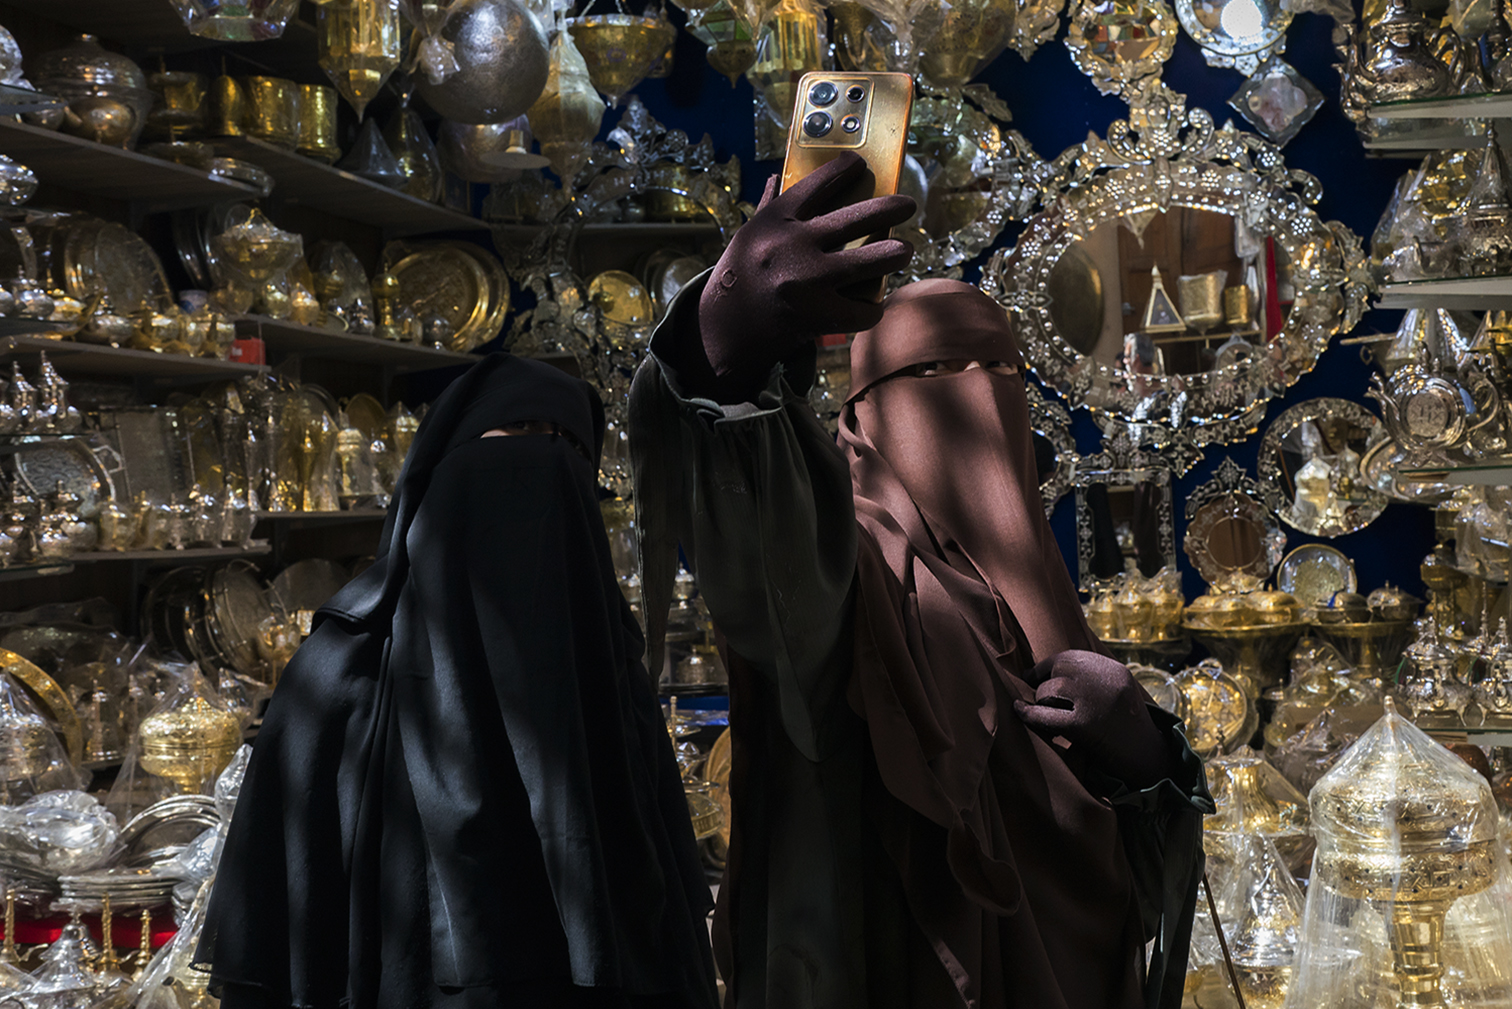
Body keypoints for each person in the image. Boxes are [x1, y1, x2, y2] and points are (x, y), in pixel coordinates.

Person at [631, 153, 1211, 1009]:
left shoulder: (1032, 586)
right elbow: (765, 555)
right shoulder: (852, 556)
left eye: (998, 372)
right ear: (863, 411)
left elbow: (1132, 876)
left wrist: (1146, 753)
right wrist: (725, 353)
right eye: (927, 377)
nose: (974, 395)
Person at [198, 355, 719, 1009]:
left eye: (569, 447)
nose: (544, 461)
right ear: (446, 465)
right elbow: (284, 931)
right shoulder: (339, 679)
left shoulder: (613, 681)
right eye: (519, 431)